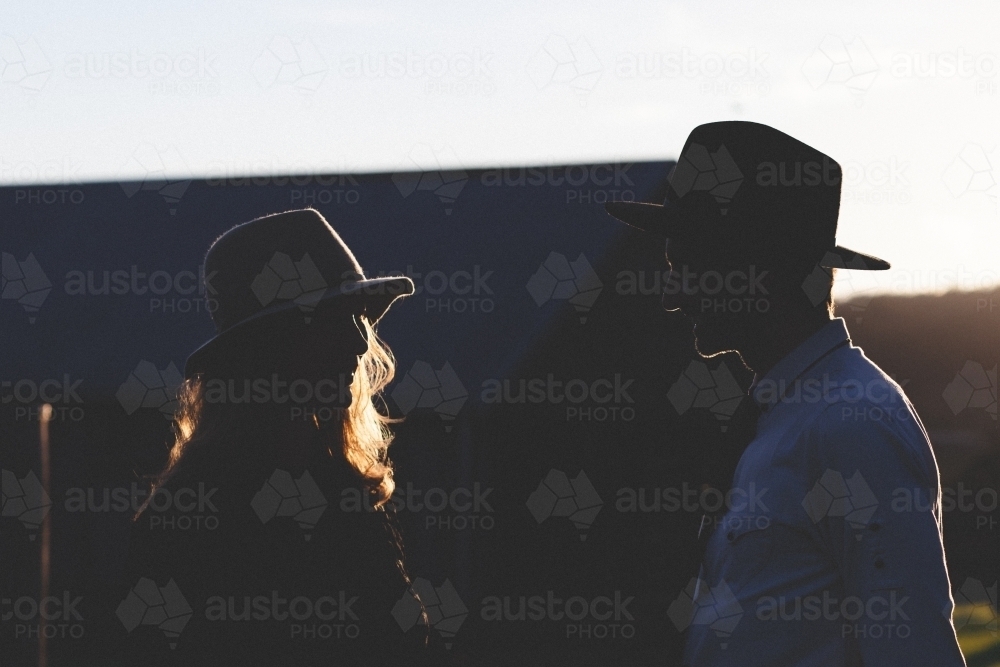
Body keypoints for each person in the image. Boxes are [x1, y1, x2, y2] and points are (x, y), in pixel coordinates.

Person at [605, 122, 966, 666]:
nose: (672, 296)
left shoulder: (851, 426)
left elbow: (914, 649)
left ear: (756, 273)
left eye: (689, 270)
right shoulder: (786, 416)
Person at [119, 208, 435, 665]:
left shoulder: (345, 489)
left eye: (358, 319)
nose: (360, 344)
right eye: (331, 319)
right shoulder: (190, 518)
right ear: (266, 346)